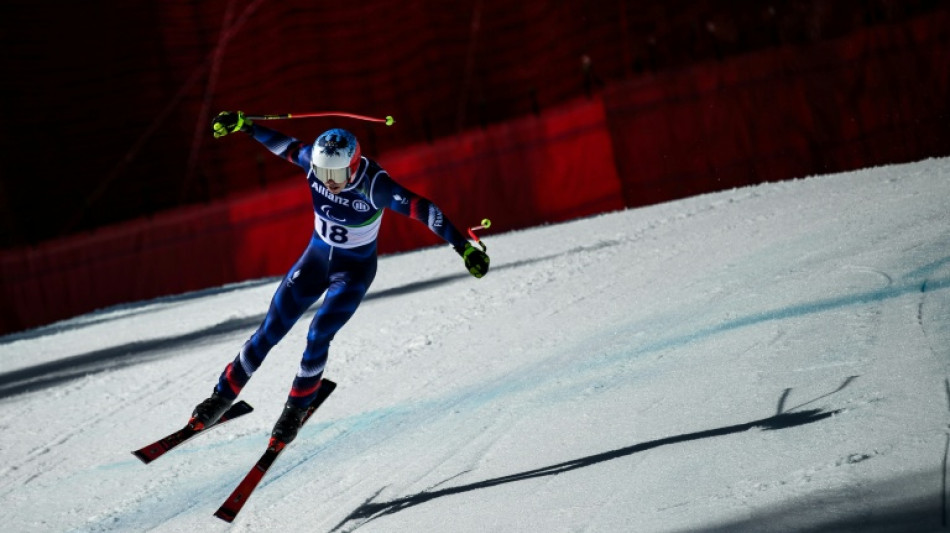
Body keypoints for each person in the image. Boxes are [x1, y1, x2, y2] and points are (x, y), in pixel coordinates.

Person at [189, 111, 490, 445]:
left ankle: (295, 409)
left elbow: (424, 209)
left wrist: (463, 247)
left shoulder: (374, 185)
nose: (328, 180)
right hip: (315, 261)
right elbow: (284, 146)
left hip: (353, 271)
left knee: (319, 333)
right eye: (322, 172)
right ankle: (222, 395)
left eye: (335, 173)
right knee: (271, 328)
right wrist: (246, 126)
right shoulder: (314, 163)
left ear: (354, 164)